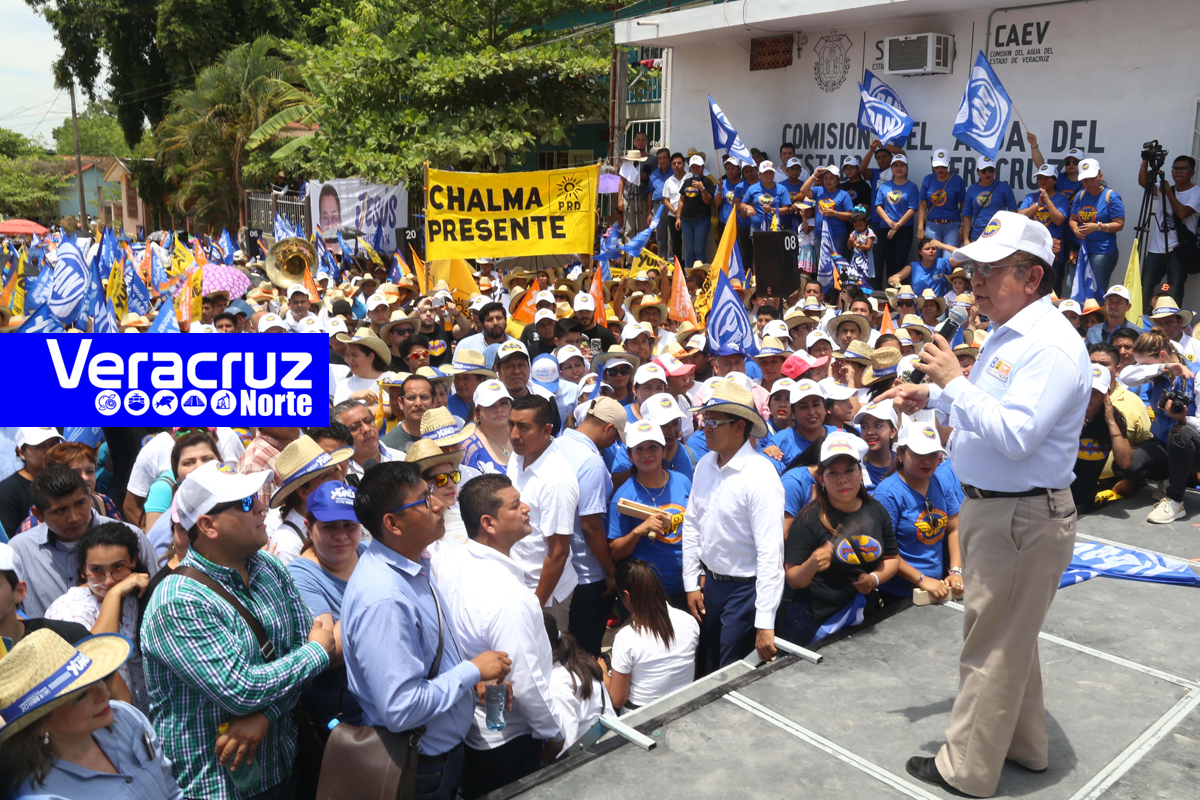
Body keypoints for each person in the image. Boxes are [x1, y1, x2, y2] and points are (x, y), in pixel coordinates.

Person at [879, 210, 1090, 797]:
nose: (974, 279)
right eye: (973, 268)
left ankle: (966, 770)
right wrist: (935, 393)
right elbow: (986, 409)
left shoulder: (1049, 346)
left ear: (1030, 276)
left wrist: (953, 381)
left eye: (990, 270)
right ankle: (1026, 747)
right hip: (998, 512)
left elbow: (1017, 436)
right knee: (1008, 635)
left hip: (1019, 516)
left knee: (991, 645)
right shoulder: (1008, 329)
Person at [139, 461, 336, 800]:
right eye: (246, 503)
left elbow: (304, 644)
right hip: (217, 787)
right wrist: (316, 653)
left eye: (256, 497)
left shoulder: (268, 566)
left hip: (282, 764)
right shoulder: (178, 601)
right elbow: (242, 689)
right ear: (208, 525)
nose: (262, 507)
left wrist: (266, 714)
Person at [341, 461, 511, 800]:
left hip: (441, 756)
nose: (437, 503)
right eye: (422, 500)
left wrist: (468, 678)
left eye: (429, 493)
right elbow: (401, 708)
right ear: (392, 524)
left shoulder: (415, 563)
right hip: (422, 769)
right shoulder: (384, 598)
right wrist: (470, 670)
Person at [443, 473, 564, 797]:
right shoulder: (507, 597)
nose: (526, 508)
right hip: (507, 743)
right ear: (489, 523)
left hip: (473, 733)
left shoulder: (453, 564)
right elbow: (525, 681)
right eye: (515, 506)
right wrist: (554, 733)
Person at [0, 629, 183, 800]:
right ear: (40, 724)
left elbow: (173, 792)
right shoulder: (43, 795)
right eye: (81, 695)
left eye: (98, 678)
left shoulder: (127, 717)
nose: (104, 693)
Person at [682, 379, 785, 673]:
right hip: (711, 586)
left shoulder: (760, 476)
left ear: (739, 427)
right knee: (707, 667)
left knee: (730, 674)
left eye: (714, 421)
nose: (705, 427)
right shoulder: (704, 465)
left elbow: (770, 554)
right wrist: (692, 582)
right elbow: (692, 524)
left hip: (745, 592)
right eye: (705, 419)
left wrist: (765, 622)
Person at [783, 433, 900, 645]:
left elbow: (892, 558)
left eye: (849, 470)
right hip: (814, 622)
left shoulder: (877, 510)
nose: (842, 479)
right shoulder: (808, 519)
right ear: (821, 479)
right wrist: (811, 565)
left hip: (864, 617)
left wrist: (873, 579)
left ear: (860, 472)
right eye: (833, 473)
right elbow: (793, 578)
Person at [13, 465, 157, 618]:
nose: (74, 517)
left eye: (80, 503)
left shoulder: (130, 537)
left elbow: (156, 595)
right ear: (38, 514)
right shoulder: (20, 551)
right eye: (60, 510)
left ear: (89, 495)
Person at [44, 522, 151, 712]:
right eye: (97, 571)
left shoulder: (138, 596)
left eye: (118, 567)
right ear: (83, 570)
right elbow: (96, 657)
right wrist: (114, 594)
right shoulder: (69, 609)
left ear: (133, 561)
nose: (108, 580)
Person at [287, 480, 367, 733]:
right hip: (344, 720)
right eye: (330, 527)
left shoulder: (368, 554)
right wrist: (370, 597)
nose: (341, 536)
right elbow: (328, 654)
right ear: (309, 528)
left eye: (349, 526)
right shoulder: (300, 576)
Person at [556, 397, 624, 657]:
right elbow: (591, 526)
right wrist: (610, 571)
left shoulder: (557, 444)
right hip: (588, 575)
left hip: (562, 572)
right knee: (586, 654)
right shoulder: (592, 463)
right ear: (608, 428)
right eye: (616, 435)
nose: (615, 443)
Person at [506, 395, 580, 631]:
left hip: (545, 598)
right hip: (518, 586)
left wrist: (536, 606)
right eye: (511, 424)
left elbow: (558, 553)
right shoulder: (517, 457)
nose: (514, 434)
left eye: (524, 427)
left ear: (546, 429)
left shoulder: (556, 480)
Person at [1112, 330, 1200, 523]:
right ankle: (1164, 477)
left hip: (1194, 449)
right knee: (1125, 465)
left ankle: (1176, 501)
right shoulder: (1159, 372)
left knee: (1182, 432)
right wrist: (1165, 367)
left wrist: (1183, 418)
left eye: (1145, 364)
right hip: (1163, 443)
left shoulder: (1197, 375)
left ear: (1161, 355)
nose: (1142, 369)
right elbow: (1126, 375)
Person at [607, 419, 693, 608]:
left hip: (685, 587)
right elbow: (615, 552)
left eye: (652, 447)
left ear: (664, 451)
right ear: (629, 456)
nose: (646, 454)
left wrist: (699, 576)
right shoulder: (623, 496)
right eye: (639, 449)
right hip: (645, 593)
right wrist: (639, 531)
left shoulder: (683, 481)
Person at [872, 424, 963, 603]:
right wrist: (921, 579)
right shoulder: (887, 493)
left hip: (938, 585)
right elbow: (885, 550)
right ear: (900, 454)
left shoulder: (940, 481)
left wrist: (955, 571)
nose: (927, 461)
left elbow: (955, 528)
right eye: (919, 454)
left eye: (932, 454)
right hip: (899, 593)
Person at [602, 558, 699, 713]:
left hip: (641, 717)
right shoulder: (689, 621)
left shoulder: (626, 637)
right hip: (683, 709)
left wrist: (602, 672)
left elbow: (617, 699)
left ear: (626, 595)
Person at [266, 435, 353, 565]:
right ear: (303, 491)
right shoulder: (287, 542)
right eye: (326, 476)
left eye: (336, 470)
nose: (338, 480)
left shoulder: (345, 513)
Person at [544, 612, 608, 754]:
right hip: (606, 742)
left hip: (585, 756)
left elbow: (567, 745)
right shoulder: (580, 660)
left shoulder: (554, 682)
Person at [1071, 365, 1131, 513]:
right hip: (1057, 495)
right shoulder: (1064, 414)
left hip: (1086, 501)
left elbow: (1124, 462)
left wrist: (1111, 422)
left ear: (1106, 396)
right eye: (1086, 390)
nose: (1090, 396)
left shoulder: (1113, 420)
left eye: (1096, 392)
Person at [1139, 154, 1199, 303]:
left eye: (1184, 169)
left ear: (1192, 172)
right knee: (1145, 293)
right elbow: (1144, 183)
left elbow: (1183, 213)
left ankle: (1172, 325)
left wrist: (1169, 193)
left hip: (1179, 250)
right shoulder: (1165, 188)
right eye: (1175, 169)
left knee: (1173, 296)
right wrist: (1145, 162)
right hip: (1156, 249)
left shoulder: (1196, 192)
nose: (1178, 172)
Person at [142, 430, 220, 538]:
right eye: (188, 462)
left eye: (207, 459)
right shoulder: (163, 489)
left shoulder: (238, 494)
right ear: (176, 475)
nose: (199, 466)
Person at [1069, 159, 1126, 290]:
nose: (1088, 183)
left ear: (1100, 176)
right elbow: (1072, 219)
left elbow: (1119, 224)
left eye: (1091, 178)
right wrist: (1076, 230)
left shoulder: (1111, 196)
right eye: (1085, 180)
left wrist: (1098, 227)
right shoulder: (1081, 195)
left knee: (1096, 290)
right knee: (1072, 286)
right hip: (1080, 248)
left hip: (1102, 251)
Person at [0, 427, 63, 537]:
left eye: (53, 445)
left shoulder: (67, 479)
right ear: (21, 452)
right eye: (40, 446)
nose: (49, 451)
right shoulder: (8, 489)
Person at [873, 155, 920, 281]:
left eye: (902, 165)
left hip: (904, 229)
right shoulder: (884, 186)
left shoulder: (912, 187)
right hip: (885, 229)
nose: (899, 168)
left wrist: (897, 225)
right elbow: (878, 206)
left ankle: (902, 295)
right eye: (896, 165)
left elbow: (912, 208)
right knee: (889, 263)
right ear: (891, 168)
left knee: (901, 262)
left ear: (906, 168)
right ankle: (890, 293)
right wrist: (889, 222)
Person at [333, 400, 403, 478]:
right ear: (341, 436)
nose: (366, 429)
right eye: (354, 427)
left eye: (368, 421)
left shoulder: (402, 459)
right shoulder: (339, 474)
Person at [462, 380, 515, 475]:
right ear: (477, 413)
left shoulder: (522, 437)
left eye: (504, 403)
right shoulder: (469, 449)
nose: (499, 410)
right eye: (490, 405)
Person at [962, 156, 1017, 245]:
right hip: (977, 235)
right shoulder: (972, 189)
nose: (987, 173)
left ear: (995, 171)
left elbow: (1013, 212)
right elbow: (967, 215)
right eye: (983, 171)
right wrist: (966, 239)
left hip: (998, 235)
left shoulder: (1004, 187)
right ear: (978, 172)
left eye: (990, 170)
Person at [919, 149, 967, 247]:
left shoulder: (957, 180)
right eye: (937, 166)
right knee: (932, 257)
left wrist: (963, 226)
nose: (940, 169)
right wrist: (920, 228)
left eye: (943, 166)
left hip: (952, 226)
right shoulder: (928, 179)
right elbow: (923, 205)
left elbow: (964, 207)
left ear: (949, 164)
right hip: (932, 226)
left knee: (949, 258)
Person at [677, 155, 716, 270]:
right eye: (693, 167)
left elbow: (708, 201)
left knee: (699, 249)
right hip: (686, 220)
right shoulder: (687, 182)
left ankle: (700, 274)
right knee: (689, 250)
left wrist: (702, 188)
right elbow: (681, 200)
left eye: (698, 167)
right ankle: (688, 276)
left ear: (702, 167)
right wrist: (678, 217)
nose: (695, 170)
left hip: (701, 219)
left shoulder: (707, 181)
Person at [382, 374, 435, 453]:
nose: (418, 403)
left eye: (424, 397)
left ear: (433, 402)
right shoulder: (387, 446)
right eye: (411, 398)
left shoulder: (447, 435)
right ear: (401, 403)